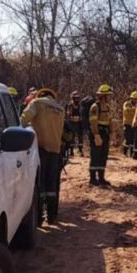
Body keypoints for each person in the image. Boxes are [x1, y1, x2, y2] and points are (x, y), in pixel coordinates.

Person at [20, 88, 65, 224]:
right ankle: (51, 216)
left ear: (40, 95)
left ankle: (38, 218)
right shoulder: (60, 108)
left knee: (40, 184)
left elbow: (23, 120)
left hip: (40, 148)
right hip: (55, 149)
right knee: (52, 183)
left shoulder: (37, 103)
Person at [89, 84, 114, 186]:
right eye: (108, 95)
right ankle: (93, 178)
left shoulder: (107, 107)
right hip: (98, 133)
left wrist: (111, 132)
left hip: (105, 133)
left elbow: (110, 121)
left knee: (103, 155)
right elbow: (93, 121)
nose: (109, 97)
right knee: (95, 155)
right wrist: (96, 135)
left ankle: (101, 177)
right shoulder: (95, 107)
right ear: (102, 96)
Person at [65, 90, 85, 156]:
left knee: (80, 137)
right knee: (72, 137)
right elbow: (68, 114)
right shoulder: (70, 105)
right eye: (75, 98)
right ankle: (71, 151)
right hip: (72, 123)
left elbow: (82, 113)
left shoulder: (80, 105)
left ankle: (81, 150)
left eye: (78, 98)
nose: (77, 99)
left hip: (79, 123)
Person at [122, 91, 137, 156]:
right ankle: (124, 152)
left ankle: (132, 154)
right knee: (127, 139)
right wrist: (135, 109)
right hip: (127, 124)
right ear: (131, 98)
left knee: (133, 139)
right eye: (134, 98)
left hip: (134, 124)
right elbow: (127, 109)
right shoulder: (126, 104)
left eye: (136, 99)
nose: (135, 100)